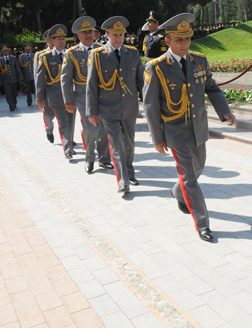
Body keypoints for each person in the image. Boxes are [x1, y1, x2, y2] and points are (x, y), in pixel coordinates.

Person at [142, 13, 236, 242]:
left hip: (198, 127)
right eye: (179, 40)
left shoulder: (199, 60)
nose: (184, 44)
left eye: (187, 39)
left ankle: (177, 192)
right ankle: (203, 224)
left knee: (197, 169)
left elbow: (211, 88)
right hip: (174, 130)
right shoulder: (156, 67)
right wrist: (156, 136)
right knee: (189, 177)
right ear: (168, 41)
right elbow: (150, 103)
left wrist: (224, 110)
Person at [86, 16, 144, 195]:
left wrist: (149, 105)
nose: (118, 38)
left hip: (129, 107)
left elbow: (141, 81)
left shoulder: (132, 53)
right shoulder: (97, 55)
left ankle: (130, 171)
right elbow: (91, 84)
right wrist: (91, 110)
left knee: (129, 143)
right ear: (107, 35)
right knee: (117, 144)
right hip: (107, 108)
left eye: (121, 35)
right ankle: (123, 180)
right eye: (115, 35)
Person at [61, 16, 113, 174]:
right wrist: (68, 100)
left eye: (90, 31)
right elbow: (66, 78)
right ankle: (90, 158)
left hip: (103, 96)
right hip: (83, 97)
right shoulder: (72, 53)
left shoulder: (104, 49)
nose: (88, 35)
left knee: (104, 128)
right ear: (78, 35)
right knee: (90, 128)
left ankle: (104, 159)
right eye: (84, 32)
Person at [35, 24, 75, 159]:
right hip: (54, 95)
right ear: (52, 41)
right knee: (54, 119)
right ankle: (49, 129)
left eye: (63, 38)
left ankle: (68, 148)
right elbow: (39, 79)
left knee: (68, 122)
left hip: (70, 95)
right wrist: (39, 97)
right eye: (58, 39)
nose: (62, 41)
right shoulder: (46, 57)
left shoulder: (71, 54)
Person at [34, 31, 56, 143]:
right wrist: (39, 94)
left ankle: (68, 139)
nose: (53, 42)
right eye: (51, 40)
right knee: (48, 115)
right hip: (47, 91)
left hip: (61, 91)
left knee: (66, 118)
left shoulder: (64, 53)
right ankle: (49, 130)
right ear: (47, 41)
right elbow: (37, 76)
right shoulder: (40, 55)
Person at [0, 44, 20, 111]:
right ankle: (11, 105)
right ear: (1, 52)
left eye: (6, 50)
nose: (5, 52)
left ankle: (14, 103)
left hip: (13, 78)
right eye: (4, 51)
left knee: (14, 92)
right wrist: (0, 81)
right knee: (8, 93)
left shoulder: (13, 58)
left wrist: (19, 76)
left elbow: (17, 68)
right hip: (5, 79)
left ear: (9, 51)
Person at [18, 42, 35, 106]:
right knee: (28, 90)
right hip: (26, 75)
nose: (28, 50)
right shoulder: (21, 57)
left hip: (34, 75)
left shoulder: (34, 55)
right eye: (26, 49)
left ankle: (38, 101)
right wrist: (21, 76)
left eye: (29, 49)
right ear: (24, 50)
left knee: (36, 90)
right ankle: (29, 101)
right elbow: (20, 67)